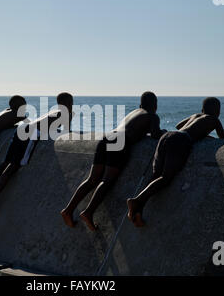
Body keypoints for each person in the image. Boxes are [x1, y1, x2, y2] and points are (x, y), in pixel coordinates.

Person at [61, 91, 166, 231]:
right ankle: (88, 211)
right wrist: (164, 132)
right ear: (155, 105)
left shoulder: (134, 112)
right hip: (121, 142)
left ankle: (68, 210)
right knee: (107, 180)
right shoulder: (152, 115)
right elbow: (155, 134)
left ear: (140, 104)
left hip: (107, 138)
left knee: (92, 179)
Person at [126, 97, 224, 227]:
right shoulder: (214, 120)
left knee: (156, 176)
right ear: (218, 111)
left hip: (167, 136)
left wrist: (199, 130)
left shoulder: (196, 115)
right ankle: (136, 201)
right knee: (166, 178)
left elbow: (179, 125)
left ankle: (138, 212)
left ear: (202, 110)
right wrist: (204, 134)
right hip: (180, 140)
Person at [0, 92, 74, 217]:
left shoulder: (53, 111)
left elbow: (49, 125)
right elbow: (66, 131)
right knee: (14, 165)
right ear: (69, 102)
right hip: (30, 134)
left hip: (21, 131)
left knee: (5, 163)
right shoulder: (66, 113)